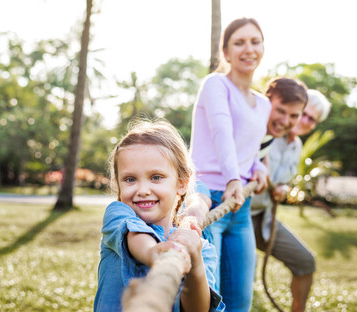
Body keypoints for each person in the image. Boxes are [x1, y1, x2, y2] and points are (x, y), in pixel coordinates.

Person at [93, 119, 225, 312]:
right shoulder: (117, 214)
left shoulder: (201, 248)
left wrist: (195, 262)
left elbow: (199, 310)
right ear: (119, 185)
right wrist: (152, 254)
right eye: (130, 179)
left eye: (156, 177)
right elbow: (134, 235)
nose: (143, 190)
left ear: (181, 183)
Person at [189, 17, 270, 311]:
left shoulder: (264, 104)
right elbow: (222, 133)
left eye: (255, 41)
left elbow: (251, 149)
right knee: (209, 301)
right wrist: (234, 178)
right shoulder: (215, 84)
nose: (248, 49)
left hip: (240, 207)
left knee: (240, 302)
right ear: (226, 53)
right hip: (208, 199)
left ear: (263, 48)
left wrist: (258, 169)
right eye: (239, 42)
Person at [251, 89, 332, 312]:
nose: (304, 121)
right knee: (243, 273)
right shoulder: (266, 132)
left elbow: (283, 182)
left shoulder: (296, 147)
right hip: (239, 215)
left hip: (265, 217)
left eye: (311, 119)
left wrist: (283, 189)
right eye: (303, 114)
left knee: (305, 262)